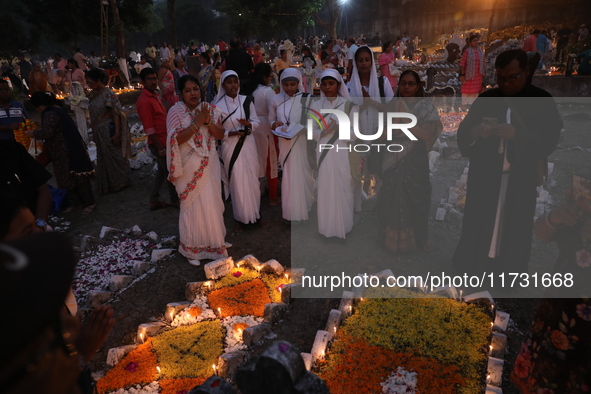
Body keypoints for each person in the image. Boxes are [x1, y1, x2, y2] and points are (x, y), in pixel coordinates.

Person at [452, 49, 563, 275]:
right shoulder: (487, 100)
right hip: (485, 176)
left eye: (512, 78)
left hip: (519, 178)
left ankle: (508, 273)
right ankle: (474, 268)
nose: (506, 84)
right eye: (501, 79)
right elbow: (463, 134)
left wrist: (517, 135)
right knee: (478, 224)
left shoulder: (541, 101)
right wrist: (477, 131)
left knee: (515, 228)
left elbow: (550, 139)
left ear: (527, 71)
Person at [510, 188, 591, 393]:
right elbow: (544, 233)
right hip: (559, 305)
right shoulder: (584, 197)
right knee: (547, 369)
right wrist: (554, 218)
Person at [377, 70, 442, 253]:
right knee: (390, 197)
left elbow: (428, 134)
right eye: (403, 83)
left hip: (415, 160)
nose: (406, 87)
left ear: (418, 86)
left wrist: (404, 122)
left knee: (417, 198)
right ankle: (388, 239)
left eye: (411, 83)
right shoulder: (392, 105)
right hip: (392, 157)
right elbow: (381, 134)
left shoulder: (426, 107)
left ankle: (420, 239)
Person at [166, 75, 227, 264]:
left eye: (195, 89)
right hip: (188, 169)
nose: (193, 93)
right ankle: (192, 248)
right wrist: (197, 122)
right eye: (187, 90)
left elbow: (220, 134)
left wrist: (208, 122)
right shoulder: (175, 112)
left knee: (213, 204)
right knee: (192, 207)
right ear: (181, 94)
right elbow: (174, 140)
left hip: (210, 164)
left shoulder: (210, 109)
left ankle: (215, 241)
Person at [29, 92, 95, 214]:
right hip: (64, 149)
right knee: (67, 178)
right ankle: (75, 202)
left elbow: (48, 133)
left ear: (40, 105)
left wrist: (34, 134)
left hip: (64, 150)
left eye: (36, 106)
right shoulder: (56, 110)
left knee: (78, 176)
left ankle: (89, 202)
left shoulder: (50, 113)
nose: (36, 109)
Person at [347, 45, 394, 215]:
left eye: (367, 60)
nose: (364, 63)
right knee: (357, 172)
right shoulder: (349, 87)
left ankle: (380, 206)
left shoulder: (383, 83)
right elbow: (346, 112)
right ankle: (356, 207)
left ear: (372, 62)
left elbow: (392, 109)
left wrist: (371, 103)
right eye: (360, 60)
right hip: (357, 136)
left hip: (379, 135)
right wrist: (361, 107)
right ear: (356, 62)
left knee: (379, 171)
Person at [214, 71, 262, 231]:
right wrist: (231, 134)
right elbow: (216, 133)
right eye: (229, 82)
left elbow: (256, 122)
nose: (233, 85)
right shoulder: (218, 107)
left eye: (236, 81)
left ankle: (256, 215)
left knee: (252, 179)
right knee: (237, 181)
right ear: (223, 85)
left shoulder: (247, 101)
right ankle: (241, 218)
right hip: (230, 146)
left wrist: (248, 124)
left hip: (248, 144)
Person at [312, 69, 356, 239]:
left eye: (331, 84)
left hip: (341, 150)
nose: (327, 87)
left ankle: (344, 226)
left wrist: (339, 128)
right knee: (325, 186)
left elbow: (356, 134)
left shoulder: (348, 105)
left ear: (338, 85)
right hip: (323, 150)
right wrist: (324, 131)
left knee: (343, 184)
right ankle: (326, 229)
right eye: (324, 84)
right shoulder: (316, 106)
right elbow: (311, 132)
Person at [269, 68, 315, 222]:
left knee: (303, 174)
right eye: (286, 85)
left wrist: (302, 128)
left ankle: (304, 208)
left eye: (292, 84)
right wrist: (275, 124)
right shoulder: (275, 100)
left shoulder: (306, 98)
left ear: (298, 83)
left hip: (301, 142)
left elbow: (313, 121)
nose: (289, 88)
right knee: (288, 176)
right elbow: (271, 120)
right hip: (285, 142)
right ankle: (291, 213)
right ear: (281, 84)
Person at [137, 68, 179, 210]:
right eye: (149, 79)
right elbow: (149, 128)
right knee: (170, 172)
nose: (153, 81)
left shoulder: (154, 95)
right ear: (142, 82)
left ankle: (154, 199)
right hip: (159, 142)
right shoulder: (144, 101)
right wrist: (160, 147)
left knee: (162, 172)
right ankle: (175, 200)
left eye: (155, 78)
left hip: (165, 139)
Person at [86, 68, 131, 195]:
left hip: (108, 130)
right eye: (87, 83)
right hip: (99, 131)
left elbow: (116, 114)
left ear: (99, 80)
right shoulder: (93, 95)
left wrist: (117, 133)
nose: (89, 85)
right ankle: (110, 183)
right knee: (104, 157)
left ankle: (121, 181)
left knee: (115, 156)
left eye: (90, 82)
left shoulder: (108, 94)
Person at [242, 63, 279, 206]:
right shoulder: (267, 91)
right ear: (265, 77)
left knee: (254, 157)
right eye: (269, 77)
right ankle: (272, 196)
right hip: (265, 125)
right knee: (271, 159)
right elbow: (273, 111)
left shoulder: (247, 89)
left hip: (251, 125)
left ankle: (253, 190)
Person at [459, 34, 485, 107]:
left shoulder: (481, 51)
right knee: (466, 90)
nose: (476, 42)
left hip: (478, 74)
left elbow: (483, 62)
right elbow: (462, 63)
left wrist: (483, 72)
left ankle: (472, 105)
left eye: (477, 41)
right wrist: (463, 74)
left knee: (475, 91)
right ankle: (464, 105)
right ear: (470, 42)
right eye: (474, 41)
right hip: (469, 75)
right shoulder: (467, 51)